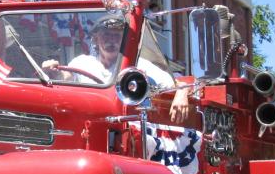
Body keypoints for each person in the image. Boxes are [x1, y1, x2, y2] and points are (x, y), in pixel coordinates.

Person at [42, 14, 190, 122]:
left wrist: (181, 95)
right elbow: (66, 77)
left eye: (117, 36)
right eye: (106, 35)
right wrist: (53, 70)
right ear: (95, 38)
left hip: (125, 126)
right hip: (87, 122)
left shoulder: (139, 65)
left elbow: (175, 83)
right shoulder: (81, 62)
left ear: (124, 40)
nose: (111, 41)